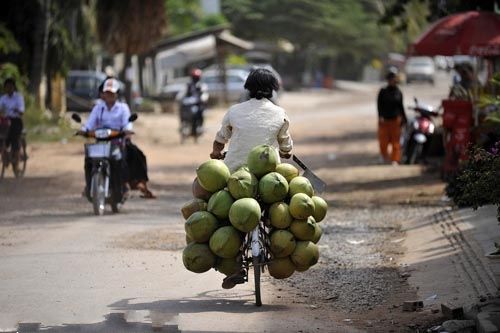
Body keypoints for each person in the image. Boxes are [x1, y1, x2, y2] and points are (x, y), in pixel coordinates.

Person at [210, 68, 293, 288]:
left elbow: (220, 139)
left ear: (247, 88)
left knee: (227, 217)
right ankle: (275, 242)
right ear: (273, 90)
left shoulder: (235, 111)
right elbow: (286, 145)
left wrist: (216, 153)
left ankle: (236, 263)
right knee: (277, 211)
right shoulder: (280, 113)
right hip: (269, 177)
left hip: (236, 174)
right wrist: (285, 152)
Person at [79, 78, 133, 201]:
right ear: (103, 94)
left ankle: (123, 187)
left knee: (120, 162)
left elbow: (127, 123)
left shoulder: (123, 108)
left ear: (116, 94)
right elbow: (90, 123)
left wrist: (127, 130)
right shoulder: (98, 108)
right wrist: (84, 129)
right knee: (89, 161)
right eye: (106, 93)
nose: (109, 96)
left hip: (117, 143)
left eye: (112, 93)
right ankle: (89, 186)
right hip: (101, 143)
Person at [376, 70, 407, 165]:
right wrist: (380, 116)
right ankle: (384, 156)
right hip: (384, 120)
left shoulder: (398, 92)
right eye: (390, 79)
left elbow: (401, 106)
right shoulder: (383, 92)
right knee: (383, 141)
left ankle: (395, 159)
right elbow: (379, 105)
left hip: (395, 120)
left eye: (393, 79)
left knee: (395, 141)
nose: (392, 81)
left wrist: (404, 118)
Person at [176, 68, 208, 137]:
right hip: (188, 105)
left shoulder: (202, 86)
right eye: (194, 77)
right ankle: (183, 126)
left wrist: (203, 98)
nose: (195, 79)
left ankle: (200, 127)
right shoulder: (188, 85)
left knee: (201, 113)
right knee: (181, 111)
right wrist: (179, 98)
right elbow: (181, 93)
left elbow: (205, 94)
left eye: (196, 77)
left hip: (198, 104)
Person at [0, 78, 25, 165]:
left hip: (16, 121)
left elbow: (22, 110)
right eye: (7, 87)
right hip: (4, 121)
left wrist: (17, 110)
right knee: (2, 138)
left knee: (15, 140)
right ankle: (4, 155)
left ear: (14, 87)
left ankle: (17, 162)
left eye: (11, 87)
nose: (9, 89)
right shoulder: (2, 99)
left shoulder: (18, 97)